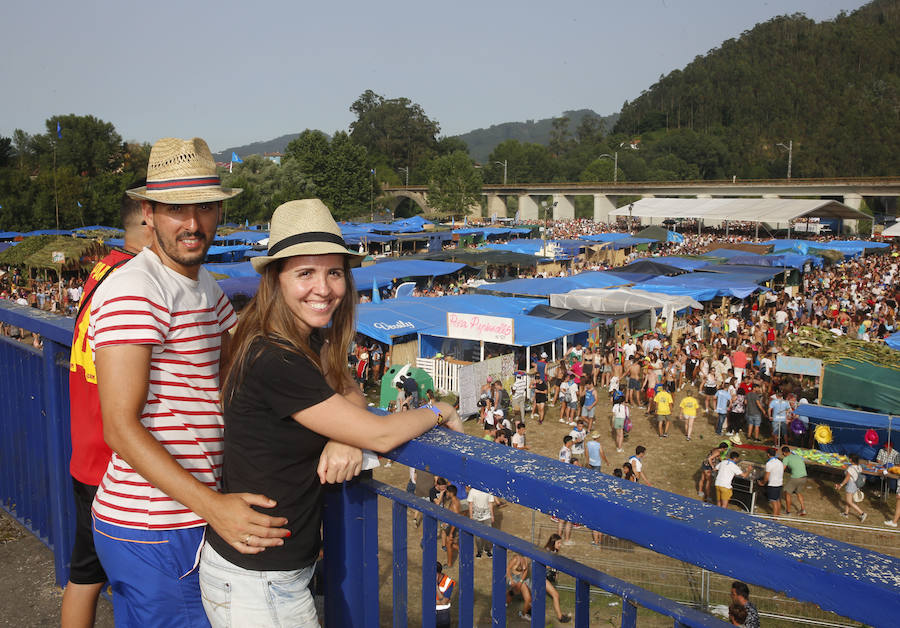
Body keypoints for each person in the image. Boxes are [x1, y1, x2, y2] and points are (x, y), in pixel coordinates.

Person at [198, 199, 464, 627]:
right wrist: (438, 408)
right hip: (258, 580)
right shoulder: (275, 357)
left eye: (334, 272)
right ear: (275, 279)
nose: (323, 288)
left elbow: (346, 386)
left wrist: (343, 433)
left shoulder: (296, 340)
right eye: (305, 272)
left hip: (264, 571)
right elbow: (380, 436)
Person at [89, 137, 286, 627]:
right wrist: (213, 506)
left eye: (204, 207)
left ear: (220, 211)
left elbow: (237, 370)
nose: (193, 223)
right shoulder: (136, 290)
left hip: (170, 519)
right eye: (177, 208)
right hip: (156, 523)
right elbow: (118, 425)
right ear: (149, 212)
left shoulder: (202, 285)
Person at [62, 190, 153, 628]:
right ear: (150, 223)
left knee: (85, 575)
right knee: (137, 585)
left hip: (88, 448)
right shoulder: (137, 278)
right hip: (117, 462)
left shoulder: (104, 268)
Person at [542, 535, 572, 623]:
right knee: (555, 595)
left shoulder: (554, 551)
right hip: (541, 576)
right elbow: (546, 565)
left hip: (547, 577)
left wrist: (556, 572)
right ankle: (560, 617)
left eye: (560, 543)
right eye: (558, 543)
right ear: (553, 543)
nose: (560, 545)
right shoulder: (547, 552)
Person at [834, 454, 867, 522]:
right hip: (855, 485)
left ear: (851, 460)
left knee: (849, 501)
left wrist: (841, 485)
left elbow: (847, 478)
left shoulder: (850, 468)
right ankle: (846, 513)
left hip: (851, 485)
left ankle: (862, 513)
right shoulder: (859, 467)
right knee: (848, 500)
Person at [466, 485, 495, 558]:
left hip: (487, 516)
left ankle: (487, 550)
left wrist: (492, 515)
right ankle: (479, 551)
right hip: (476, 517)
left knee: (489, 535)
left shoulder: (489, 490)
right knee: (478, 537)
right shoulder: (472, 491)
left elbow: (490, 504)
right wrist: (471, 516)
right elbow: (470, 505)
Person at [781, 446, 808, 516]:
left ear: (784, 453)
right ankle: (803, 509)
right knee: (798, 492)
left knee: (787, 493)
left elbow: (782, 469)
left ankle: (788, 512)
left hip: (796, 477)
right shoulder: (797, 456)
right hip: (804, 477)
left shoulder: (786, 458)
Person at [506, 552, 532, 621]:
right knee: (510, 595)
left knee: (528, 599)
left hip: (521, 580)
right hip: (513, 578)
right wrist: (511, 580)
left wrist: (520, 582)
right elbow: (508, 569)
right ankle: (500, 607)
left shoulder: (526, 559)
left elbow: (525, 571)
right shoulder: (515, 559)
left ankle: (523, 614)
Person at [759, 447, 784, 517]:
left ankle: (774, 517)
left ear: (768, 454)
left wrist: (762, 483)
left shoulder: (769, 463)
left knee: (773, 501)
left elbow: (766, 477)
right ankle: (778, 514)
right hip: (780, 483)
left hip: (773, 484)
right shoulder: (780, 462)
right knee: (777, 499)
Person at [435, 562, 455, 628]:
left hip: (443, 614)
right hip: (430, 611)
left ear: (438, 574)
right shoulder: (428, 580)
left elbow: (444, 602)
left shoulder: (448, 582)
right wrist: (440, 602)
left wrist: (436, 587)